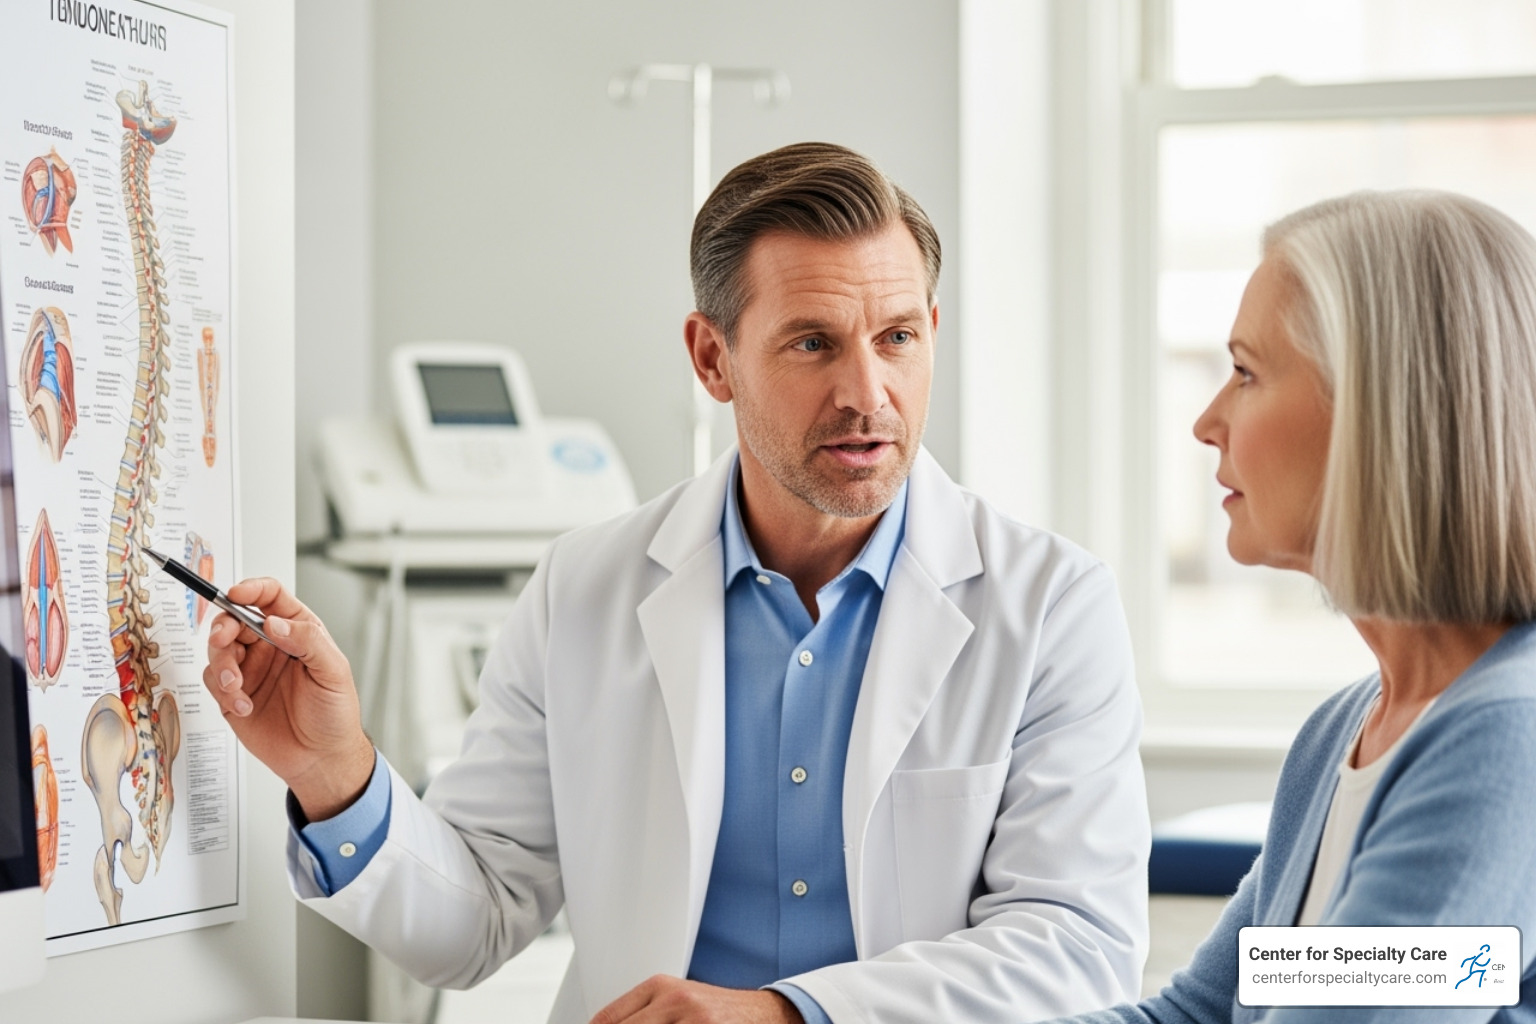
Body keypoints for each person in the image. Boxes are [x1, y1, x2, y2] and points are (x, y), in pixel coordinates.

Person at [204, 142, 1150, 1024]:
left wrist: (784, 1015)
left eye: (897, 337)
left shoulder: (1050, 605)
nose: (869, 392)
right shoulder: (583, 588)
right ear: (712, 358)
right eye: (814, 344)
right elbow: (476, 919)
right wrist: (333, 773)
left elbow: (1077, 947)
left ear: (931, 331)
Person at [1053, 190, 1536, 1024]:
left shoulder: (1507, 740)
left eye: (1244, 372)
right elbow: (1200, 1015)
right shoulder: (1341, 734)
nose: (1207, 422)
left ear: (1378, 409)